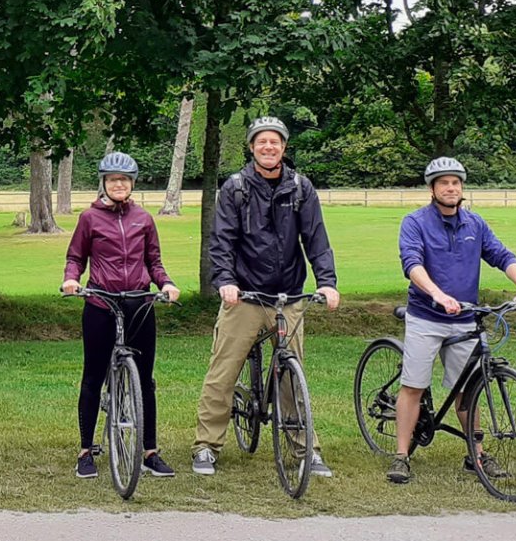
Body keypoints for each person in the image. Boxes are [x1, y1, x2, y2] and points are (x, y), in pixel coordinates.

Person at [191, 117, 341, 477]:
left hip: (288, 297)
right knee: (223, 371)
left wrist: (328, 282)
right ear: (252, 147)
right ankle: (206, 446)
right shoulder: (236, 188)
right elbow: (222, 240)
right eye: (262, 143)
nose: (269, 148)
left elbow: (316, 240)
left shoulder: (301, 188)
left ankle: (306, 451)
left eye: (275, 142)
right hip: (244, 295)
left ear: (284, 148)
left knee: (292, 375)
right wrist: (225, 281)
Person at [386, 156, 516, 485]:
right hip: (426, 317)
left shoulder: (475, 224)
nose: (450, 188)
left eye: (455, 182)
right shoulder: (415, 222)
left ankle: (477, 455)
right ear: (432, 188)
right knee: (413, 386)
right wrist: (437, 294)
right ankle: (401, 455)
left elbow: (503, 256)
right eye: (443, 182)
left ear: (462, 188)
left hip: (466, 318)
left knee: (469, 391)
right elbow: (412, 262)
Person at [61, 152, 182, 480]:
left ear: (132, 184)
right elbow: (76, 257)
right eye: (113, 179)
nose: (119, 184)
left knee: (145, 381)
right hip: (101, 303)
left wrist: (166, 284)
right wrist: (72, 279)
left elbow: (154, 261)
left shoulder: (143, 218)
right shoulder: (89, 218)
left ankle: (150, 452)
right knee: (93, 378)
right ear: (103, 183)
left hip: (139, 304)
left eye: (125, 180)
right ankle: (86, 451)